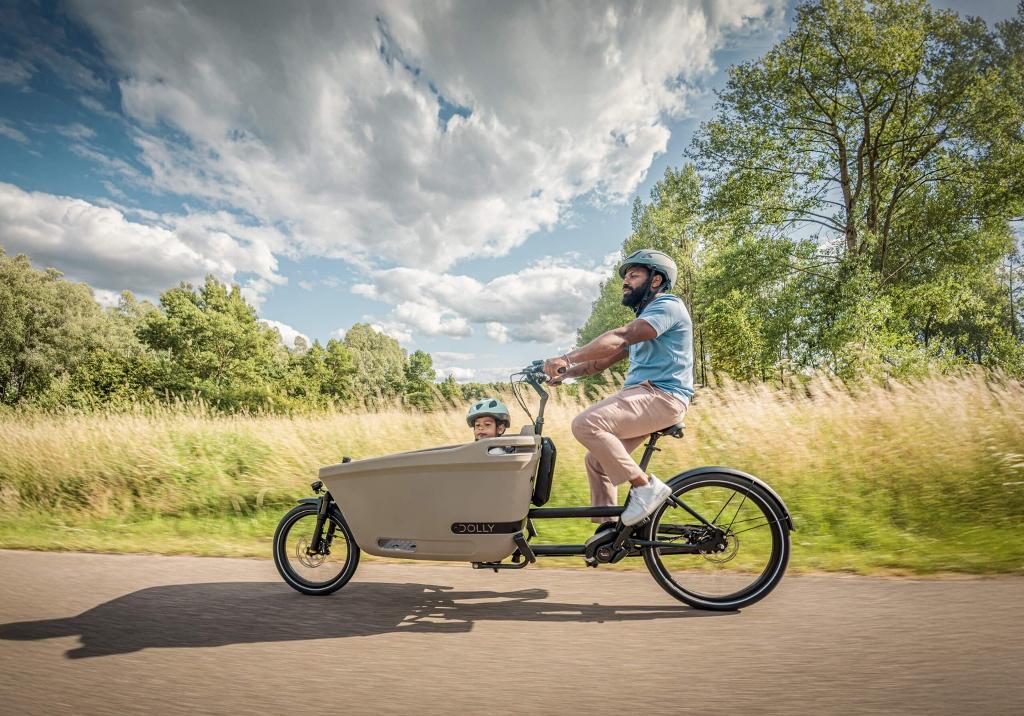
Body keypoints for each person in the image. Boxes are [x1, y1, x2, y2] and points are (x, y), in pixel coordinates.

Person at [542, 249, 693, 529]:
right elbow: (598, 364)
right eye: (626, 277)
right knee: (597, 461)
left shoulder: (668, 307)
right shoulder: (646, 320)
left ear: (656, 280)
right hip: (645, 396)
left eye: (634, 275)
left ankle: (644, 486)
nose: (626, 281)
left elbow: (621, 336)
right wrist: (565, 373)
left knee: (586, 425)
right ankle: (609, 532)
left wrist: (565, 357)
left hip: (662, 395)